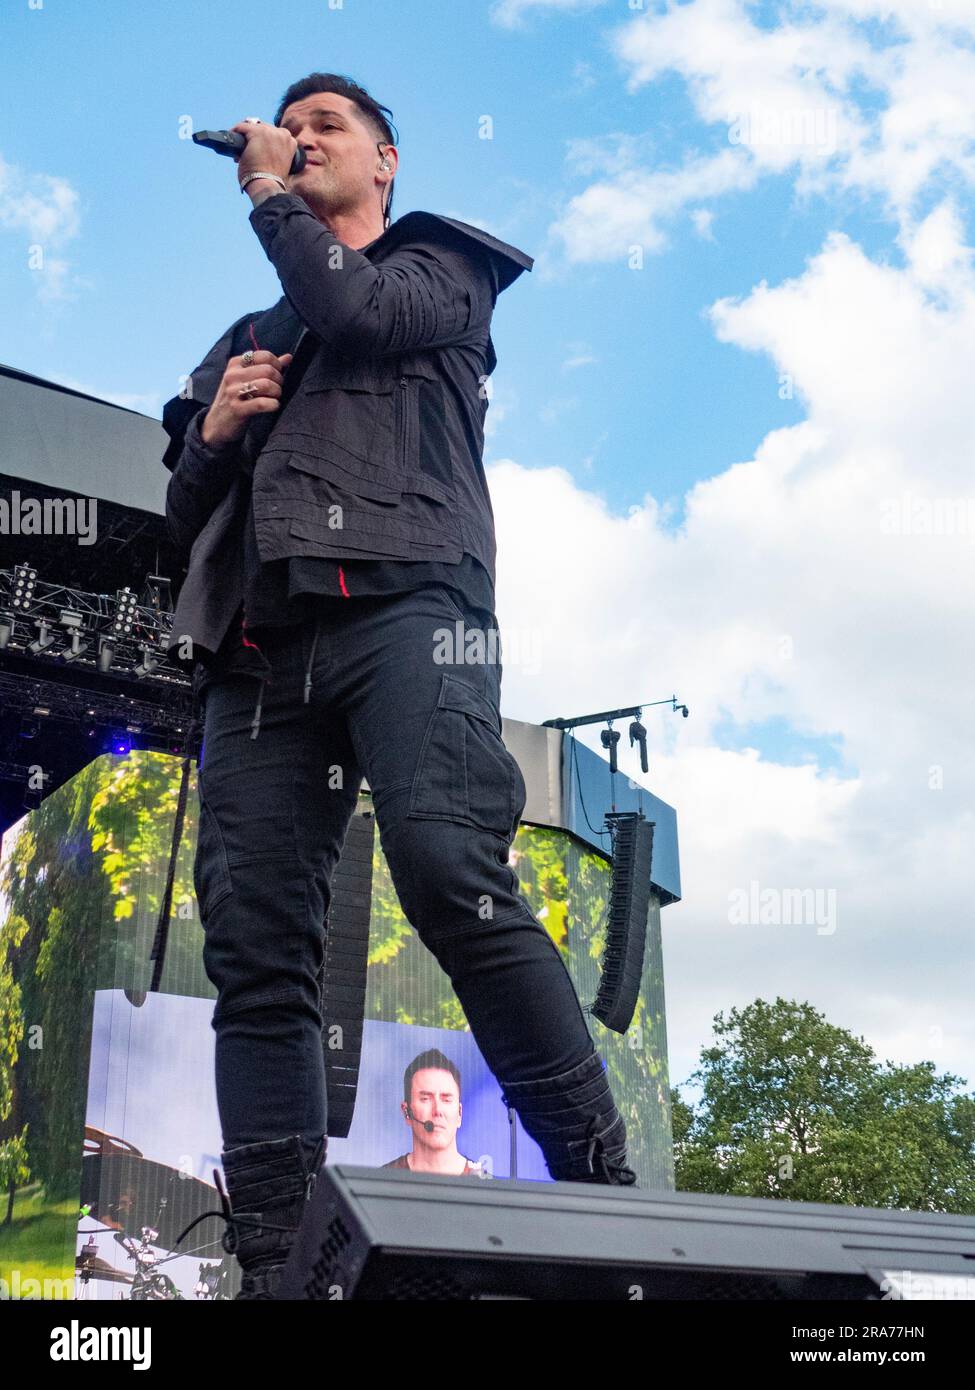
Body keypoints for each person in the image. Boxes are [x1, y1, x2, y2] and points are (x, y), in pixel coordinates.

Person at [162, 72, 635, 1301]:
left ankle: (598, 1179)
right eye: (289, 127)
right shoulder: (246, 339)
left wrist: (270, 188)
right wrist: (213, 433)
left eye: (328, 129)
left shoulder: (442, 265)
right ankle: (274, 1253)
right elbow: (180, 515)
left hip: (410, 602)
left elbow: (358, 309)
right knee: (256, 947)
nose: (300, 139)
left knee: (447, 868)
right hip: (260, 652)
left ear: (385, 165)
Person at [383, 1050, 483, 1176]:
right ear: (406, 1112)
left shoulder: (486, 1186)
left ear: (459, 1114)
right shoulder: (384, 1179)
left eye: (446, 1099)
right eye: (425, 1099)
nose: (438, 1110)